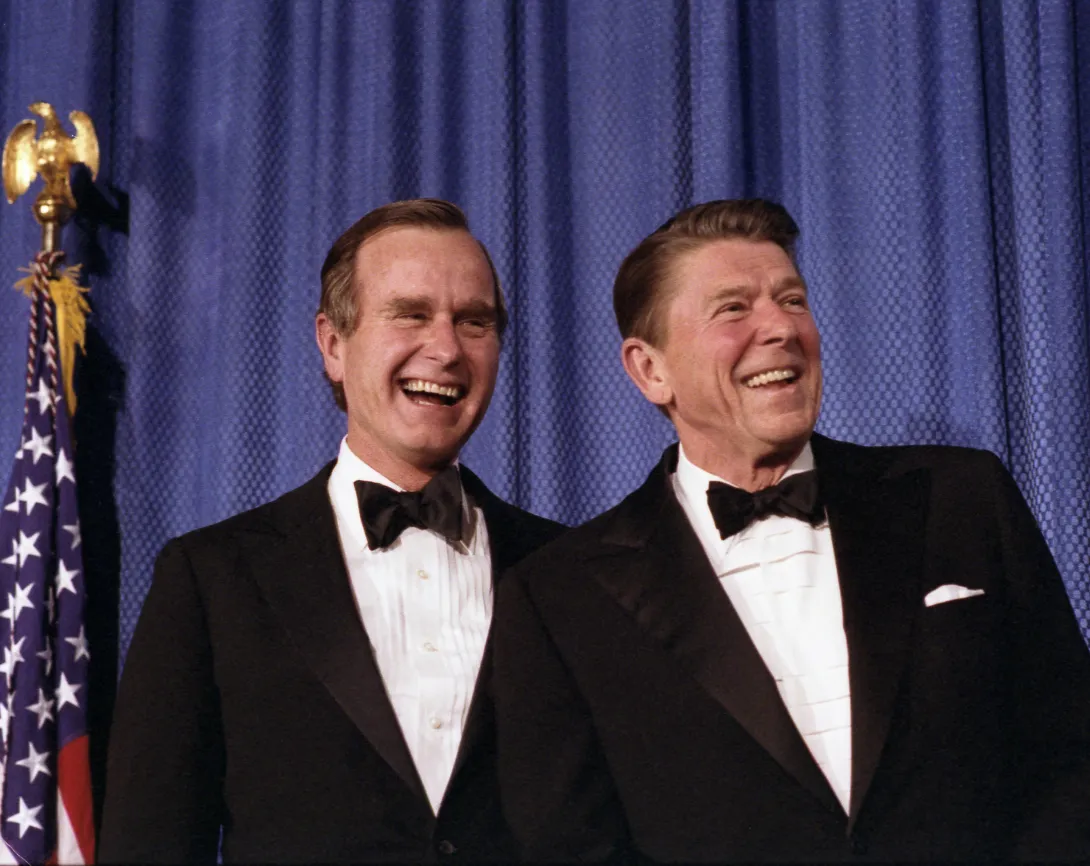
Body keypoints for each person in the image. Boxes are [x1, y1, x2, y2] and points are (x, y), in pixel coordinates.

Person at [493, 198, 1090, 862]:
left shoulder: (963, 499)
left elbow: (1070, 760)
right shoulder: (559, 597)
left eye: (793, 300)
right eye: (734, 309)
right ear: (649, 370)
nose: (780, 327)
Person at [98, 198, 564, 863]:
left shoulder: (568, 571)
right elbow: (150, 846)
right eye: (410, 314)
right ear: (333, 344)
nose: (446, 348)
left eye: (474, 321)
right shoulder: (212, 579)